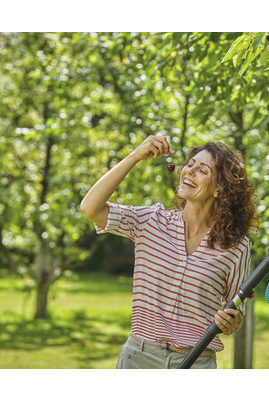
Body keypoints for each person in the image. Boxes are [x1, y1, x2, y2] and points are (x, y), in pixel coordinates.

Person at [80, 136, 259, 369]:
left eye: (202, 170)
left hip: (196, 363)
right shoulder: (150, 222)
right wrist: (135, 156)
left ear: (219, 189)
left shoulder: (237, 247)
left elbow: (235, 307)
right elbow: (90, 208)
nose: (189, 171)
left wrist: (232, 322)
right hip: (139, 359)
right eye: (190, 164)